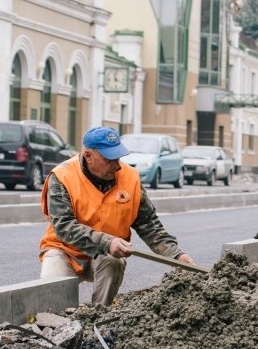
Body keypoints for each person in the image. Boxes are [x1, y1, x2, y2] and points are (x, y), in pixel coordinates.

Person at [39, 127, 195, 306]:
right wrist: (106, 242)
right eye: (109, 159)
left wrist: (176, 256)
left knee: (115, 261)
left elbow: (148, 224)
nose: (117, 165)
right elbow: (64, 226)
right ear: (88, 156)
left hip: (105, 255)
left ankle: (99, 316)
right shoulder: (62, 176)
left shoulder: (130, 178)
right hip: (65, 251)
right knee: (52, 301)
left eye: (118, 157)